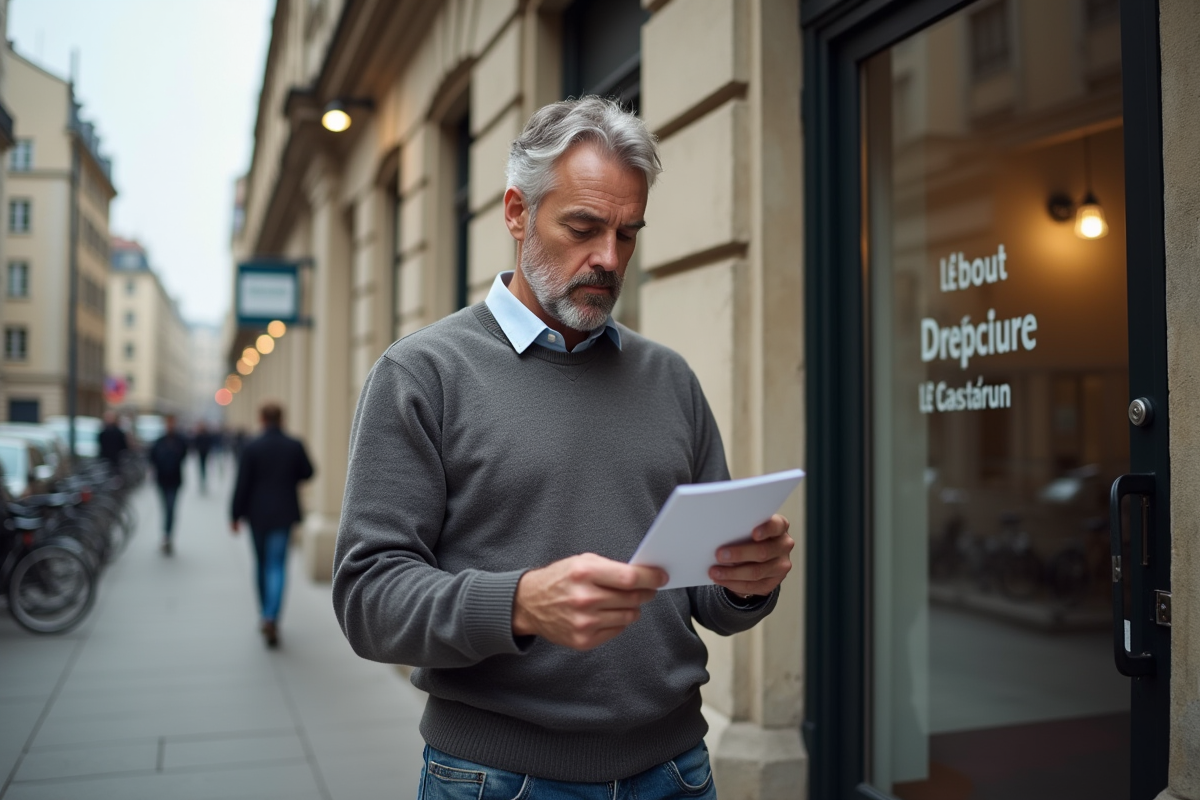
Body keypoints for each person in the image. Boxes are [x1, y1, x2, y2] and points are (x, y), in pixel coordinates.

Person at [332, 97, 794, 795]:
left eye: (627, 234)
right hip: (496, 777)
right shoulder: (423, 374)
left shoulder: (668, 377)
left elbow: (708, 598)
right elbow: (368, 598)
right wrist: (518, 603)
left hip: (676, 768)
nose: (608, 259)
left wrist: (746, 582)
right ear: (517, 212)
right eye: (583, 227)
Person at [230, 402, 314, 648]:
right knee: (277, 565)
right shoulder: (293, 445)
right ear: (282, 419)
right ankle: (272, 616)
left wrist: (234, 515)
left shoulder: (252, 446)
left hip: (257, 515)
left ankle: (264, 613)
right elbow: (308, 472)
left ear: (261, 419)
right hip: (284, 513)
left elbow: (241, 483)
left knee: (261, 563)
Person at [148, 415, 188, 555]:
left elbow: (184, 455)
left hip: (175, 480)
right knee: (165, 508)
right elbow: (152, 457)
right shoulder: (159, 441)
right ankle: (166, 535)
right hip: (162, 480)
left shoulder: (179, 441)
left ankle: (168, 536)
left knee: (171, 508)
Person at [192, 421, 215, 493]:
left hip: (205, 452)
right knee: (201, 466)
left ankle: (203, 479)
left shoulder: (206, 435)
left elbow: (209, 443)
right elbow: (196, 443)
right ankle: (202, 480)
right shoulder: (200, 435)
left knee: (203, 466)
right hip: (201, 452)